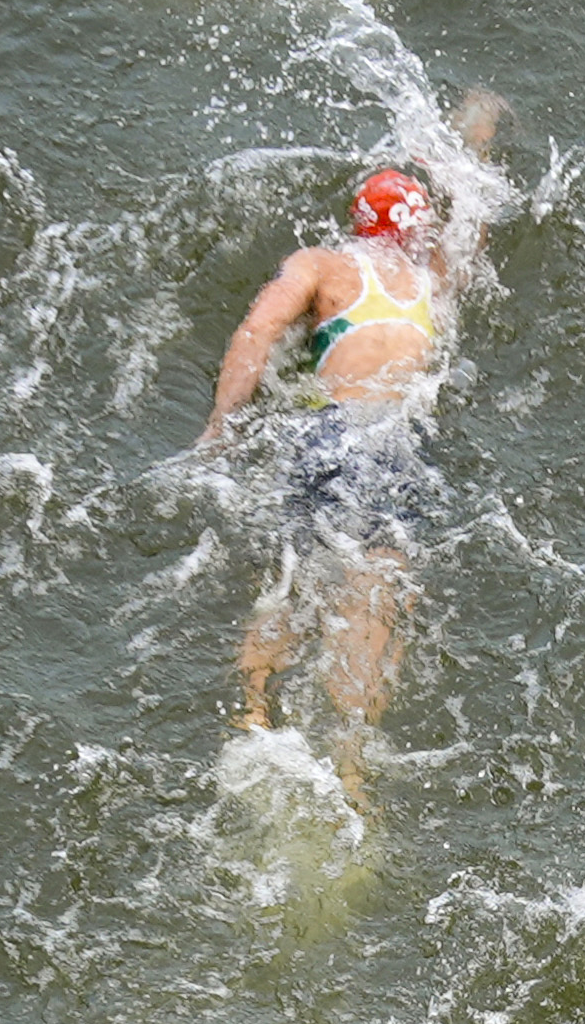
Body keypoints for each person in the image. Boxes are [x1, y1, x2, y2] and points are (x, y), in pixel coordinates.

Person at [199, 94, 508, 794]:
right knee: (377, 591)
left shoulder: (325, 265)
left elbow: (256, 332)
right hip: (398, 438)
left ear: (357, 223)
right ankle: (351, 759)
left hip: (328, 430)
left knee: (290, 572)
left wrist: (222, 423)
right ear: (417, 232)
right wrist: (477, 143)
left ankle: (253, 710)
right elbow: (476, 218)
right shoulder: (435, 277)